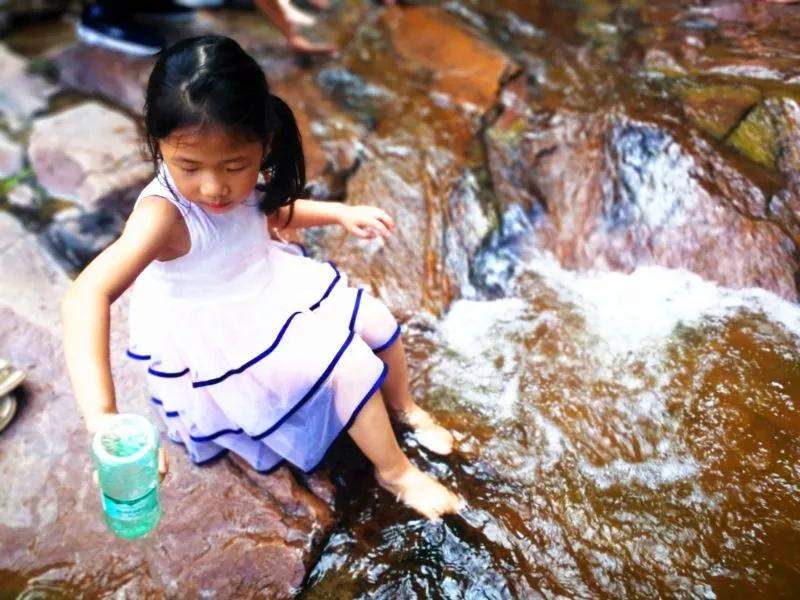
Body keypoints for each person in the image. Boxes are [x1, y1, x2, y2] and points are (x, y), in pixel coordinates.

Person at [62, 35, 464, 521]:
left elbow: (270, 214)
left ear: (263, 144)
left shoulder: (245, 182)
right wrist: (102, 417)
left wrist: (339, 213)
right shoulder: (162, 215)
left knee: (376, 322)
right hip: (222, 327)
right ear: (158, 144)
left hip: (269, 284)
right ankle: (395, 472)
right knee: (348, 366)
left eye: (235, 166)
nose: (214, 187)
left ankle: (405, 409)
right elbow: (88, 292)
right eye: (188, 166)